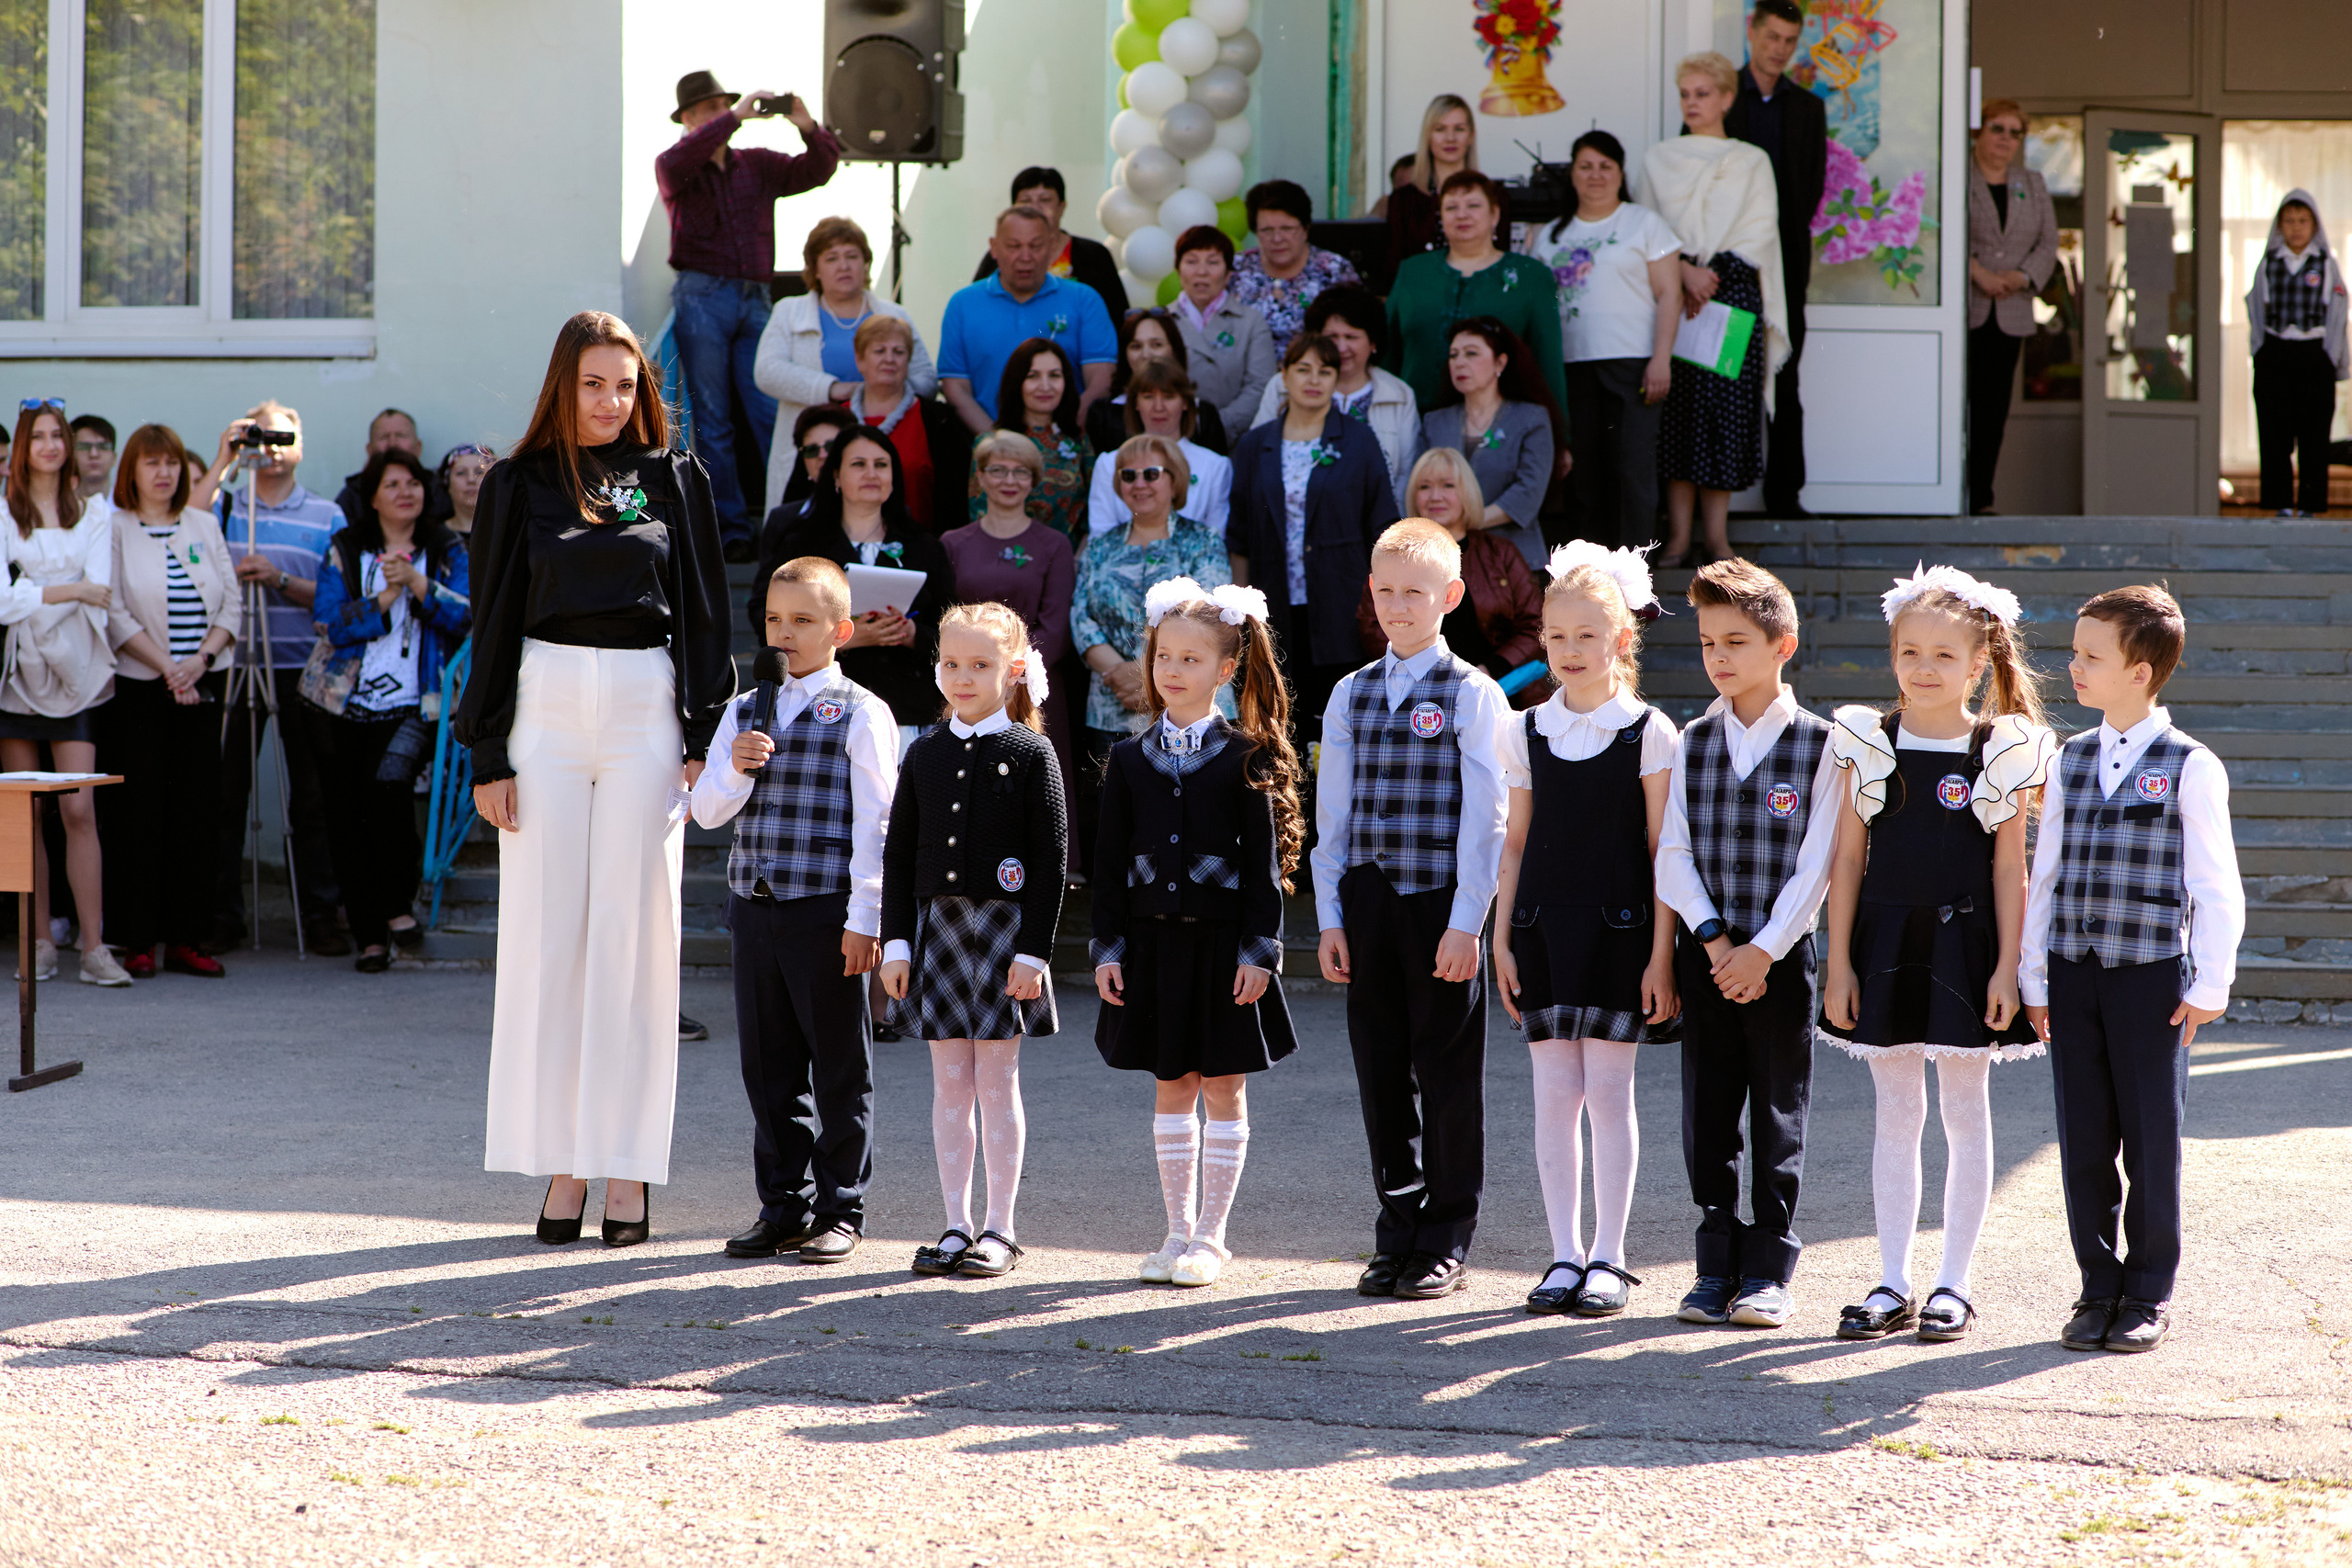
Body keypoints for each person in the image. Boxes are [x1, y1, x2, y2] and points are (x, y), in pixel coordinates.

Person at [458, 310, 732, 1250]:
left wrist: (700, 731)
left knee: (634, 939)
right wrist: (486, 752)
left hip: (643, 710)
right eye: (593, 385)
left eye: (625, 385)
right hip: (545, 706)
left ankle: (626, 1169)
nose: (611, 401)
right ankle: (563, 1162)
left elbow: (703, 609)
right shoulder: (515, 484)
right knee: (548, 938)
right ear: (561, 389)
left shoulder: (675, 480)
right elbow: (490, 618)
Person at [1820, 566, 2054, 1345]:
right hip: (1881, 941)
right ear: (1891, 655)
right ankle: (1893, 1278)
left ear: (1978, 663)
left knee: (1963, 1108)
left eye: (1944, 657)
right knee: (1896, 1112)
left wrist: (2008, 968)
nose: (1925, 668)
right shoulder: (1867, 741)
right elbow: (1847, 859)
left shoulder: (2003, 749)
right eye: (1910, 652)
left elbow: (2007, 868)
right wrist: (1839, 962)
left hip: (1968, 945)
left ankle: (1954, 1281)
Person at [2021, 586, 2245, 1356]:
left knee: (2152, 1136)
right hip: (2073, 972)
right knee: (2083, 1134)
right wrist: (2031, 974)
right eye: (2075, 651)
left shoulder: (2190, 764)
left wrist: (2208, 984)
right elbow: (2043, 873)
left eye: (2091, 655)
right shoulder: (2072, 757)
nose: (2074, 667)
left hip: (2152, 977)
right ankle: (2096, 1283)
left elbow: (2217, 885)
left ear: (2141, 672)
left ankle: (2148, 1288)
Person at [1312, 520, 1513, 1302]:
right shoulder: (1350, 691)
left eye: (1415, 592)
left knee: (1448, 1070)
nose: (1398, 605)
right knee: (1381, 1068)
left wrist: (1469, 920)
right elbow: (1335, 817)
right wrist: (1331, 913)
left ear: (1450, 598)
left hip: (1439, 903)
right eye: (1386, 589)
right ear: (1371, 592)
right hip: (1367, 898)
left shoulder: (1471, 692)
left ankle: (1447, 1234)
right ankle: (1395, 1226)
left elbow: (1488, 816)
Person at [691, 556, 900, 1266]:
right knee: (768, 1065)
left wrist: (866, 919)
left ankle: (842, 1207)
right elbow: (707, 810)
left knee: (839, 1065)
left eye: (804, 621)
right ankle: (783, 1204)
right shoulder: (743, 708)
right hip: (755, 907)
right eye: (776, 619)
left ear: (841, 629)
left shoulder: (864, 712)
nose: (786, 633)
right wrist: (734, 768)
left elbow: (879, 824)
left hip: (826, 910)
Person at [1091, 577, 1300, 1287]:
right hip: (1152, 949)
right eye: (1163, 657)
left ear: (1225, 669)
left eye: (1189, 659)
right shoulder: (1125, 760)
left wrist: (1259, 948)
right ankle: (1176, 1231)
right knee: (1171, 1083)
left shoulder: (1246, 755)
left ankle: (1212, 1237)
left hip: (1223, 950)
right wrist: (1109, 946)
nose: (1172, 671)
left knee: (1223, 1086)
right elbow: (1109, 863)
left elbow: (1264, 868)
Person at [1493, 544, 1679, 1319]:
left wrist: (1662, 954)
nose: (1568, 652)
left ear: (1620, 641)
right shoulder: (1525, 730)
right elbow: (1513, 839)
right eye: (1556, 636)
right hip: (1539, 929)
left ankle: (1610, 1255)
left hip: (1622, 934)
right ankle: (1564, 1252)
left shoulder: (1650, 731)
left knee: (1608, 1093)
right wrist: (1500, 938)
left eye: (1586, 637)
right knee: (1553, 1096)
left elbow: (1665, 847)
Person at [1653, 559, 1838, 1329]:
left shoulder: (1823, 745)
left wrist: (1761, 949)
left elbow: (1818, 863)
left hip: (1780, 960)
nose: (1719, 656)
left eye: (1736, 640)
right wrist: (1714, 939)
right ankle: (1713, 1263)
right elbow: (1672, 852)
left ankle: (1769, 1268)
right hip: (1709, 956)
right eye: (1706, 643)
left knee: (1777, 1109)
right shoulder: (1692, 740)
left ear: (1782, 644)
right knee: (1708, 1109)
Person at [879, 602, 1069, 1280]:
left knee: (997, 1080)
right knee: (948, 1084)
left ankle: (1001, 1228)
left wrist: (1035, 950)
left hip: (1004, 934)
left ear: (1013, 670)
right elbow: (899, 855)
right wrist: (896, 943)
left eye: (980, 665)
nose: (962, 677)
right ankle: (956, 1222)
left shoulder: (1030, 751)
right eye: (952, 663)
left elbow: (1052, 858)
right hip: (939, 933)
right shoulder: (924, 750)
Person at [301, 449, 472, 972]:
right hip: (339, 703)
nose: (406, 492)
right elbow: (328, 623)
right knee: (347, 817)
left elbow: (470, 618)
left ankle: (397, 904)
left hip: (416, 704)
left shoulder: (446, 549)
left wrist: (420, 587)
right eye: (393, 484)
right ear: (372, 496)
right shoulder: (346, 548)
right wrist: (384, 597)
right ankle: (370, 935)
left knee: (390, 793)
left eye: (414, 483)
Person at [657, 72, 841, 557]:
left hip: (755, 296)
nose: (719, 116)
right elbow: (677, 159)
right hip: (702, 296)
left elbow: (817, 170)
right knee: (714, 420)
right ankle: (735, 533)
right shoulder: (677, 165)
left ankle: (795, 516)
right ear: (688, 120)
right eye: (707, 110)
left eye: (723, 106)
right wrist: (736, 116)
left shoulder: (756, 165)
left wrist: (807, 125)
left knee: (771, 410)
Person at [201, 400, 348, 954]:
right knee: (225, 792)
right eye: (260, 438)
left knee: (310, 796)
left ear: (301, 446)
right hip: (235, 665)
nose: (272, 449)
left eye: (284, 438)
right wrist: (224, 460)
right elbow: (186, 538)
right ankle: (221, 913)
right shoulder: (227, 505)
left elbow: (341, 598)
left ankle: (320, 913)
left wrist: (281, 578)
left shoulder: (328, 514)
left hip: (302, 669)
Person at [96, 423, 240, 980]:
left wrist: (197, 663)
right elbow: (113, 612)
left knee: (198, 810)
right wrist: (166, 667)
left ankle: (187, 938)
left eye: (173, 463)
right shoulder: (115, 529)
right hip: (141, 686)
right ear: (130, 472)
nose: (164, 473)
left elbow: (231, 604)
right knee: (139, 813)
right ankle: (136, 941)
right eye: (151, 463)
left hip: (201, 681)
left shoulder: (203, 524)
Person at [1639, 52, 1791, 567]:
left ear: (1727, 98)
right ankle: (1679, 539)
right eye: (1685, 94)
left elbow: (1759, 228)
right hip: (1674, 297)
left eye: (1703, 93)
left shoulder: (1751, 160)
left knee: (1724, 414)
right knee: (1680, 414)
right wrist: (1683, 271)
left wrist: (1712, 272)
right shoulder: (1658, 158)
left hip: (1732, 295)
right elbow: (1646, 227)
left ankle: (1718, 539)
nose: (1693, 103)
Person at [0, 402, 129, 987]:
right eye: (40, 436)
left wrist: (39, 592)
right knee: (24, 816)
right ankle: (39, 941)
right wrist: (68, 589)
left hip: (76, 674)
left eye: (59, 436)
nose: (50, 445)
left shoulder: (94, 511)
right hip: (18, 676)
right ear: (23, 448)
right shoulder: (4, 510)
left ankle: (95, 947)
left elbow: (99, 591)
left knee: (79, 807)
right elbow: (1, 603)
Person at [1521, 130, 1682, 550]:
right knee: (1584, 474)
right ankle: (1588, 578)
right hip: (1569, 366)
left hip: (1633, 362)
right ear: (1571, 174)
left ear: (1620, 172)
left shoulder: (1643, 222)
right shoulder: (1549, 236)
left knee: (1631, 470)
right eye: (1585, 166)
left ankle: (1634, 579)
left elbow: (1670, 293)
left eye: (1605, 166)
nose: (1595, 175)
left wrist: (1661, 358)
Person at [1229, 336, 1402, 728]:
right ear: (1284, 375)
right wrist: (1240, 613)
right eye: (1303, 369)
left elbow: (1384, 528)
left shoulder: (1358, 440)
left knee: (1342, 724)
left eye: (1325, 372)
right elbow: (1238, 535)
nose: (1314, 380)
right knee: (1281, 722)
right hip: (1273, 605)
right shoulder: (1255, 445)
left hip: (1343, 604)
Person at [763, 426, 957, 744]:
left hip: (908, 709)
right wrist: (843, 638)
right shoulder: (802, 543)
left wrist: (911, 635)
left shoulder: (925, 545)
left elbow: (949, 625)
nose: (871, 473)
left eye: (881, 465)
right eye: (858, 464)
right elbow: (767, 618)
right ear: (836, 477)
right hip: (819, 707)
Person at [943, 431, 1080, 870]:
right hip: (966, 684)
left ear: (1034, 480)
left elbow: (1055, 625)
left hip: (1032, 683)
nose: (1009, 479)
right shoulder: (953, 544)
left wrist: (1010, 679)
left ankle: (1049, 870)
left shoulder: (1054, 545)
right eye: (998, 469)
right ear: (979, 478)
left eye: (1021, 471)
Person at [752, 217, 940, 514]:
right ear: (815, 268)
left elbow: (926, 379)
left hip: (882, 446)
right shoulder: (789, 311)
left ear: (866, 264)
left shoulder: (893, 313)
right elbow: (767, 372)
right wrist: (834, 389)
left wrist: (884, 393)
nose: (844, 266)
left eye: (853, 256)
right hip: (814, 454)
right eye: (832, 258)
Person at [1724, 0, 1826, 519]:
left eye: (1789, 40)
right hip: (1731, 261)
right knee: (1725, 368)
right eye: (1772, 38)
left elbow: (1810, 191)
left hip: (1786, 261)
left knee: (1785, 369)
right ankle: (1718, 492)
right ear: (1753, 32)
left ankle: (1785, 494)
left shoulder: (1808, 107)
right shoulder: (1723, 98)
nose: (1780, 49)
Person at [1073, 434, 1234, 750]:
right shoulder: (1099, 547)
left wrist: (1145, 675)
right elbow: (1081, 617)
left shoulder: (1204, 541)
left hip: (1192, 708)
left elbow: (1208, 617)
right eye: (1129, 475)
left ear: (1175, 482)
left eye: (1151, 474)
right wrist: (1123, 675)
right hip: (1111, 709)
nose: (1139, 483)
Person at [1355, 449, 1544, 708]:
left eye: (1448, 485)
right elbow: (1372, 625)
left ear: (1468, 492)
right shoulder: (1395, 557)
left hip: (1504, 693)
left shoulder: (1501, 553)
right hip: (1415, 695)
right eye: (1424, 486)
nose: (1435, 496)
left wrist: (1489, 670)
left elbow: (1536, 623)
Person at [1385, 172, 1566, 416]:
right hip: (1415, 421)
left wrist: (1559, 435)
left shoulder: (1531, 276)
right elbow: (1388, 353)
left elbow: (1548, 362)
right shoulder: (1413, 272)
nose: (1462, 214)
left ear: (1495, 215)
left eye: (1473, 205)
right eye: (1451, 207)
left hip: (1503, 423)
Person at [939, 206, 1118, 433]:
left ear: (1052, 246)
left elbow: (1101, 379)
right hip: (988, 446)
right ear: (994, 248)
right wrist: (997, 443)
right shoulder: (962, 305)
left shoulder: (1084, 300)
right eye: (1014, 246)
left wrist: (1060, 437)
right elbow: (956, 389)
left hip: (1065, 445)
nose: (1025, 257)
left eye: (1035, 246)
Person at [1965, 100, 2061, 517]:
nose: (2005, 139)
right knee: (1958, 405)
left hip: (2012, 310)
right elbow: (1945, 234)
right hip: (1966, 308)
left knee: (1992, 408)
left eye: (2014, 132)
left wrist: (2022, 276)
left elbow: (2049, 242)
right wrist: (1978, 274)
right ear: (1978, 133)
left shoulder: (2033, 182)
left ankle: (1981, 498)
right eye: (1996, 129)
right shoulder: (1958, 177)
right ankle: (1950, 494)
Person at [1248, 286, 1422, 511]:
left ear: (1373, 342)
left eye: (1351, 336)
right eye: (1332, 336)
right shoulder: (1281, 386)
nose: (1341, 347)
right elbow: (1257, 458)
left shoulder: (1399, 395)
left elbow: (1406, 476)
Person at [1418, 317, 1561, 570]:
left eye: (1471, 353)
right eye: (1453, 355)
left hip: (1515, 561)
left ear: (1500, 362)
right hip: (1445, 561)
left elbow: (1528, 494)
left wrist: (1463, 522)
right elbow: (1420, 485)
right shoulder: (1434, 422)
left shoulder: (1531, 418)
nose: (1459, 362)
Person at [2245, 189, 2346, 519]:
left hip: (2314, 356)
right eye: (2289, 221)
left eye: (2303, 221)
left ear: (2314, 224)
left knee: (2314, 434)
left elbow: (2338, 312)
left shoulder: (2325, 264)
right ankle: (2281, 505)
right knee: (2274, 432)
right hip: (2275, 354)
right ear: (2279, 225)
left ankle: (2310, 507)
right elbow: (2256, 308)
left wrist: (2331, 358)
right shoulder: (2268, 264)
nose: (2296, 228)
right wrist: (2260, 350)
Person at [828, 314, 967, 529]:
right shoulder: (834, 419)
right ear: (860, 359)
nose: (889, 359)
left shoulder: (939, 420)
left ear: (908, 360)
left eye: (898, 352)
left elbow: (955, 500)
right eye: (879, 351)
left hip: (920, 549)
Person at [1087, 359, 1233, 541]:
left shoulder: (1215, 466)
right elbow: (1100, 536)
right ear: (1136, 404)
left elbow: (1215, 539)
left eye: (1168, 396)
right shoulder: (1108, 464)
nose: (1158, 407)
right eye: (1148, 396)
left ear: (1186, 403)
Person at [971, 165, 1129, 327]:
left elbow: (1116, 318)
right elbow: (977, 310)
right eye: (1025, 201)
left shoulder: (1094, 255)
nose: (1035, 207)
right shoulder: (999, 257)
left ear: (1061, 207)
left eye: (1045, 200)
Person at [975, 337, 1091, 546]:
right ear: (1017, 381)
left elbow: (1092, 514)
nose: (1045, 386)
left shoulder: (1079, 440)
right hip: (1006, 560)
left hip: (1068, 560)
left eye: (1054, 375)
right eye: (1033, 376)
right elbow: (979, 513)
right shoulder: (992, 443)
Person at [1170, 226, 1278, 440]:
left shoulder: (1251, 322)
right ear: (1178, 270)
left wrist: (1214, 426)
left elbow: (1259, 387)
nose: (1201, 271)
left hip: (1232, 442)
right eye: (1191, 261)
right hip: (1172, 440)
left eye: (1212, 262)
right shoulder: (1160, 321)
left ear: (1228, 274)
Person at [1227, 180, 1362, 347]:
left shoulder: (1334, 269)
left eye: (1287, 229)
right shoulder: (1236, 267)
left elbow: (1358, 329)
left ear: (1305, 229)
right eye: (1267, 230)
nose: (1277, 239)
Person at [1085, 307, 1231, 457]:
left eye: (1157, 345)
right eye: (1136, 346)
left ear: (1174, 350)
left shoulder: (1203, 413)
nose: (1146, 354)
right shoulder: (1102, 412)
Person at [1387, 95, 1499, 265]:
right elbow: (1394, 269)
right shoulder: (1404, 201)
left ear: (1471, 136)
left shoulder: (1496, 196)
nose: (1450, 138)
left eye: (1459, 129)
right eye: (1440, 129)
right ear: (1428, 136)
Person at [334, 409, 441, 526]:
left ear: (418, 447)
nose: (393, 443)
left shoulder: (440, 489)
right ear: (370, 450)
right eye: (384, 437)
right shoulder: (351, 496)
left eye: (401, 436)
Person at [775, 404, 859, 520]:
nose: (822, 455)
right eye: (811, 450)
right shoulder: (782, 520)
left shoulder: (881, 513)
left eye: (831, 446)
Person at [439, 444, 493, 539]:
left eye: (480, 472)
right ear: (447, 483)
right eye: (461, 473)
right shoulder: (432, 537)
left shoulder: (511, 531)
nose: (471, 479)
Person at [69, 414, 116, 502]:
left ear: (114, 458)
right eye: (84, 446)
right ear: (70, 456)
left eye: (103, 447)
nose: (94, 454)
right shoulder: (58, 508)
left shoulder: (126, 508)